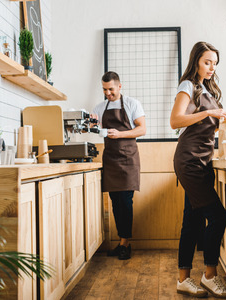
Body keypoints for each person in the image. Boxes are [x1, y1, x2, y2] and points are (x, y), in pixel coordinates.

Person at [170, 42, 226, 298]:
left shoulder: (208, 89)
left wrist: (223, 119)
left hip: (203, 160)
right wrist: (210, 112)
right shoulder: (188, 85)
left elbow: (205, 126)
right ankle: (209, 276)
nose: (212, 67)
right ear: (196, 60)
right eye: (207, 62)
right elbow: (175, 121)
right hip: (189, 161)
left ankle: (183, 280)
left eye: (215, 63)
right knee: (218, 217)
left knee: (193, 221)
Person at [92, 71, 146, 260]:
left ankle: (125, 244)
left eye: (111, 89)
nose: (108, 93)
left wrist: (120, 134)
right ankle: (122, 243)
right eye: (105, 90)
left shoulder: (132, 104)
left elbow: (142, 129)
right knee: (116, 203)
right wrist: (91, 124)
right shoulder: (100, 107)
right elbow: (95, 128)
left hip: (128, 159)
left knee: (125, 201)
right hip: (111, 159)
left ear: (119, 86)